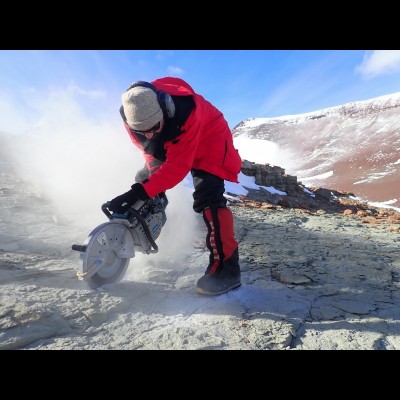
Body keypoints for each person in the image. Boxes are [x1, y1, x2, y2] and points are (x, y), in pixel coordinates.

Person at [108, 77, 242, 296]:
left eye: (152, 128)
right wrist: (146, 184)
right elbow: (149, 149)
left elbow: (178, 168)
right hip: (172, 135)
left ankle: (227, 270)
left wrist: (142, 191)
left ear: (165, 108)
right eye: (142, 131)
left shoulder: (187, 110)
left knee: (209, 198)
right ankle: (147, 235)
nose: (148, 134)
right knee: (145, 180)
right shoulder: (134, 115)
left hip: (210, 140)